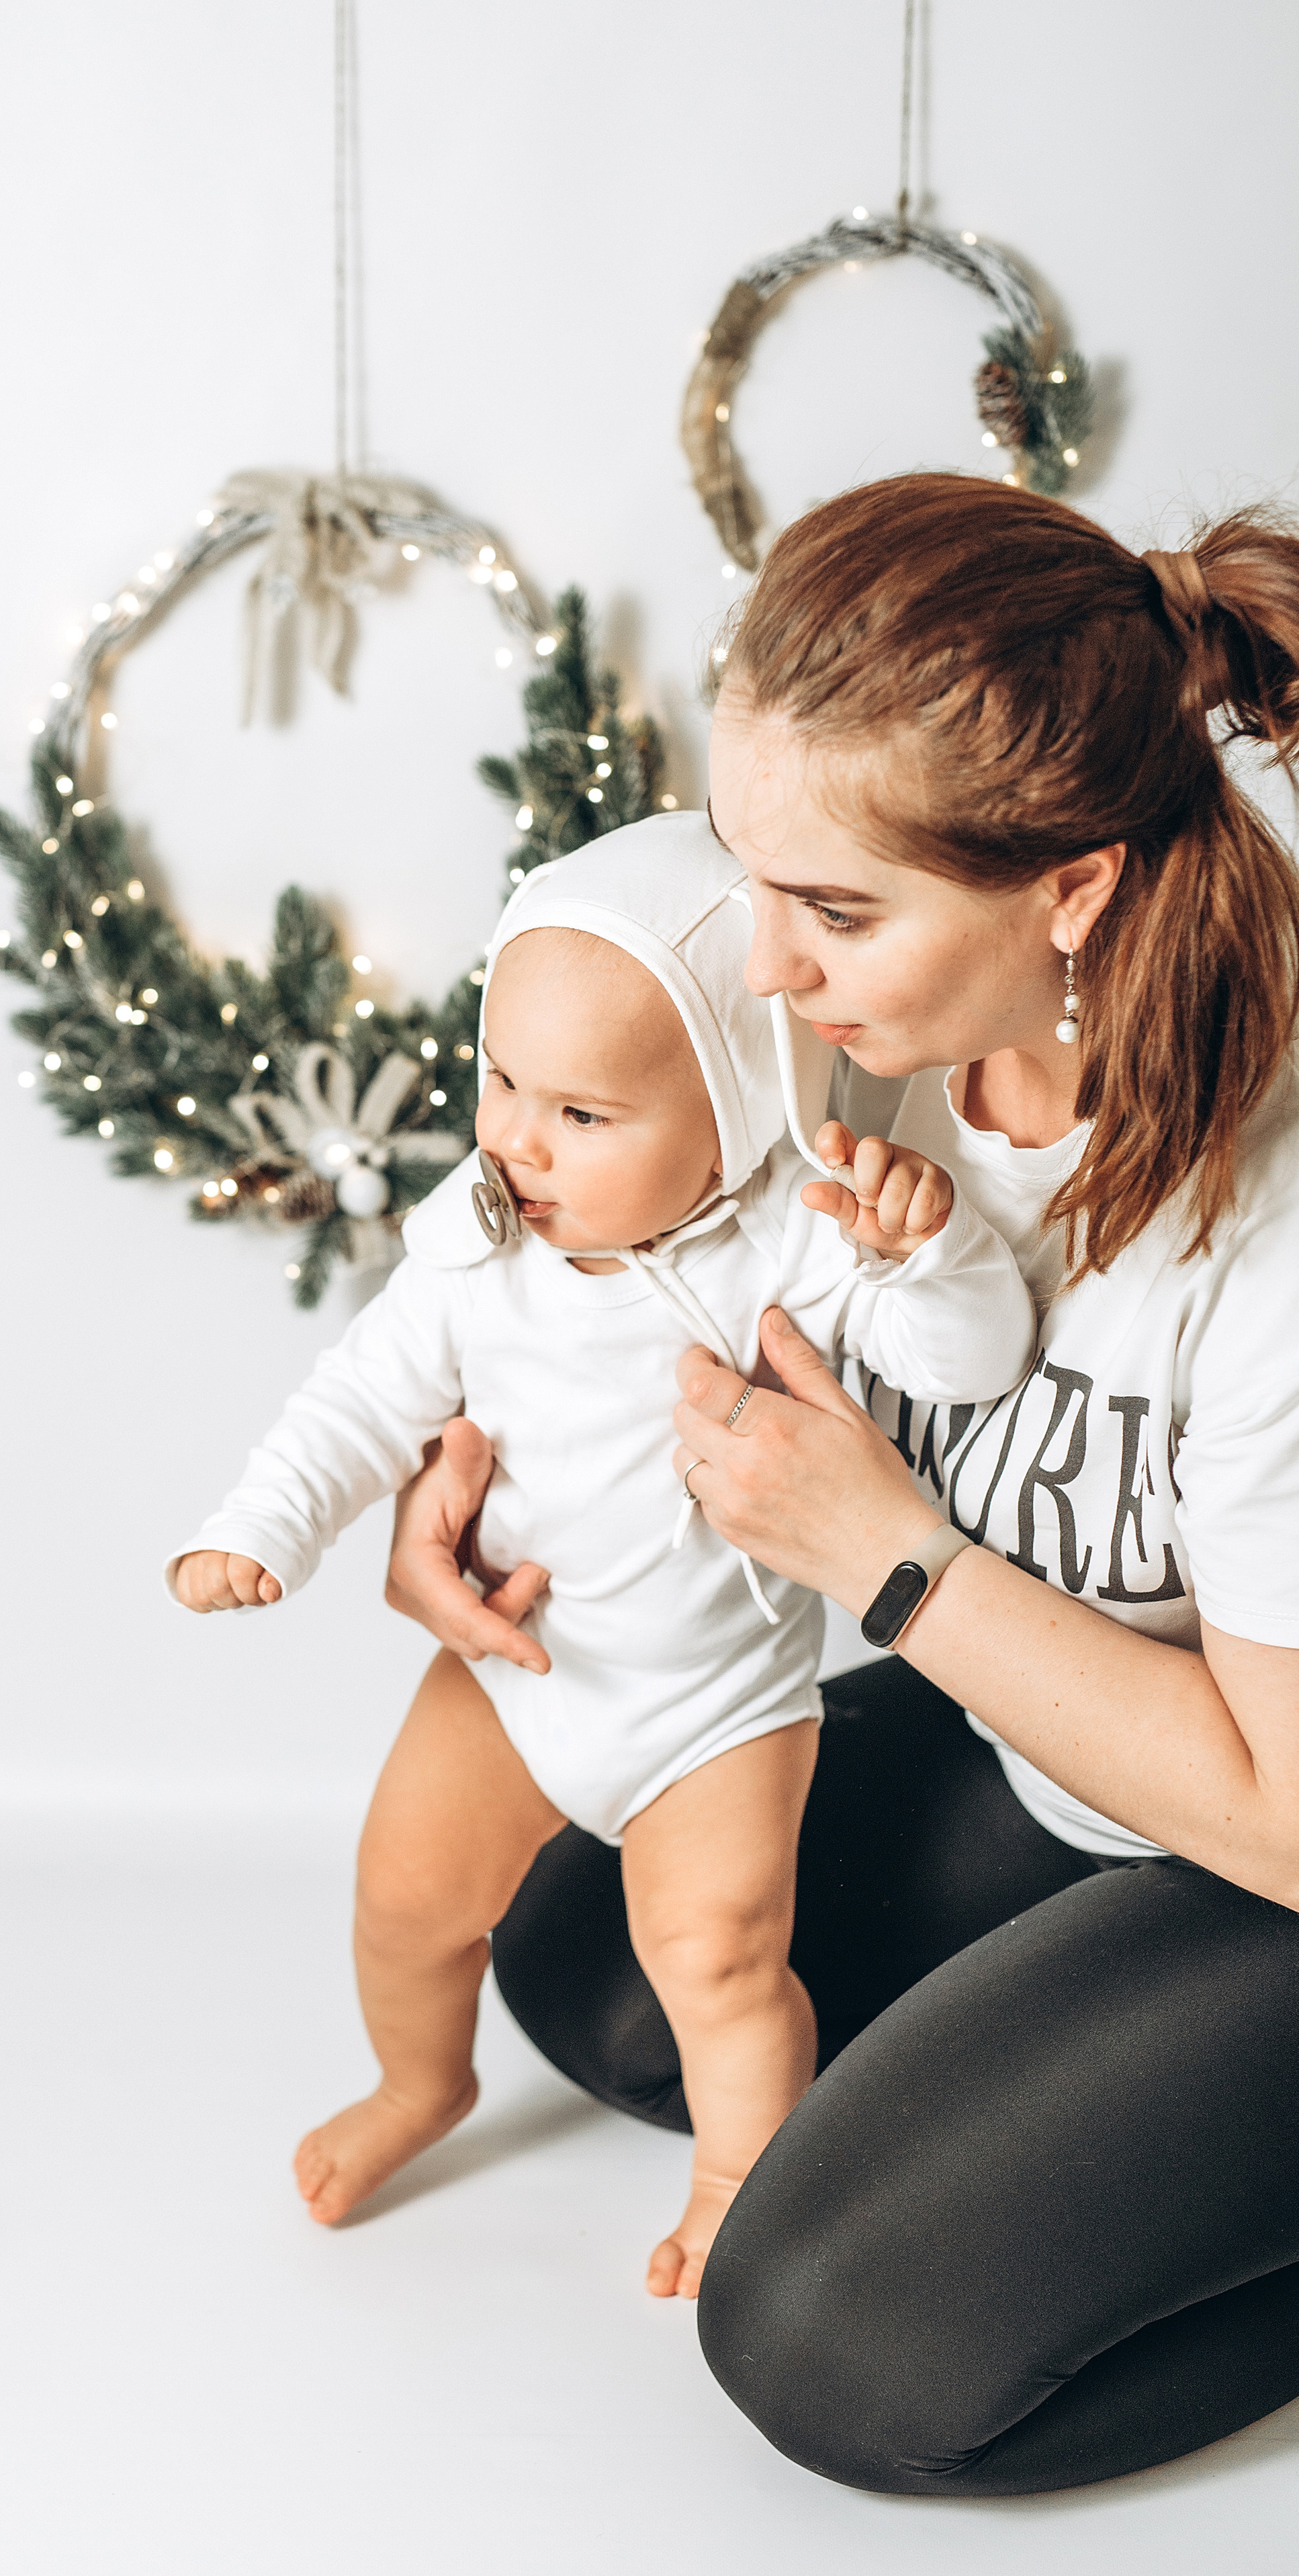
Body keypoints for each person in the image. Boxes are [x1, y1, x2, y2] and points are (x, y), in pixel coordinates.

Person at [384, 472, 1299, 2495]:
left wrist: (889, 1564)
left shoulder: (1273, 1230)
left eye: (837, 910)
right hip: (1072, 1754)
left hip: (1277, 1854)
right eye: (755, 871)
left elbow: (1284, 1809)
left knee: (825, 2343)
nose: (767, 967)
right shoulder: (862, 1038)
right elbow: (607, 1248)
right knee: (595, 1970)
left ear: (1073, 886)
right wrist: (468, 1474)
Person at [169, 827, 1034, 2294]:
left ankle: (737, 2182)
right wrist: (259, 1524)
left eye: (579, 1111)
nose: (513, 1137)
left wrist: (924, 1254)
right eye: (501, 1080)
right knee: (402, 1895)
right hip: (516, 1668)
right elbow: (361, 1398)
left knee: (712, 1962)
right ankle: (416, 2084)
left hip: (710, 1719)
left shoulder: (792, 1238)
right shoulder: (475, 1242)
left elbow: (968, 1365)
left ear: (729, 1118)